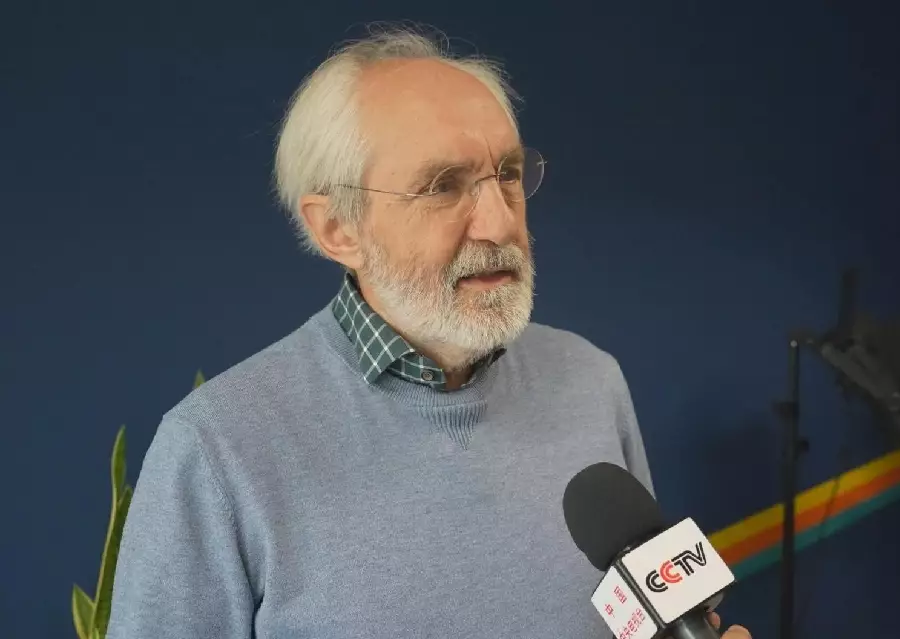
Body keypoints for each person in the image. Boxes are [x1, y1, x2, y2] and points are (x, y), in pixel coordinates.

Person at [106, 25, 752, 639]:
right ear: (338, 229)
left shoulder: (590, 379)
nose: (500, 223)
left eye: (507, 174)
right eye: (442, 186)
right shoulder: (217, 449)